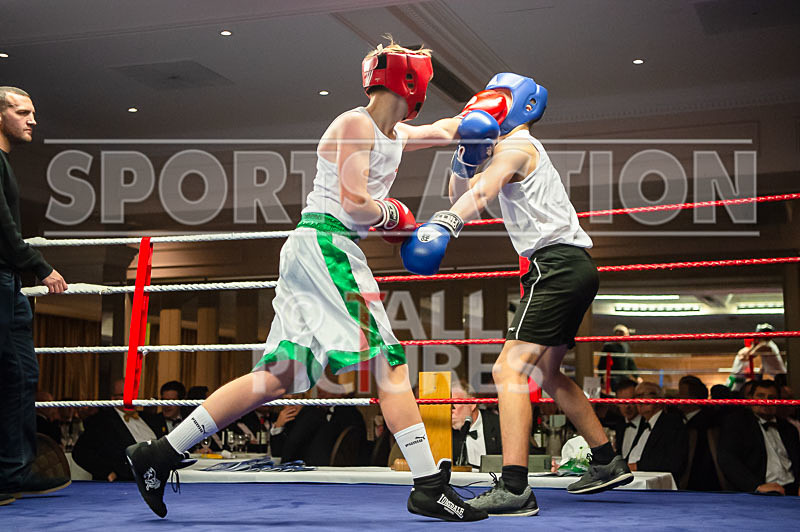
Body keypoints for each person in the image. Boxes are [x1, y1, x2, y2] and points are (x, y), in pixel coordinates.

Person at [126, 39, 487, 522]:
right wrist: (395, 214)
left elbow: (443, 130)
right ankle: (428, 486)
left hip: (315, 248)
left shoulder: (392, 134)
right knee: (388, 362)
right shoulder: (354, 123)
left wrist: (494, 113)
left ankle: (161, 453)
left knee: (281, 376)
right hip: (328, 246)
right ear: (413, 80)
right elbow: (356, 204)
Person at [401, 72, 633, 516]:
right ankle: (605, 461)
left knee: (510, 369)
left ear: (514, 106)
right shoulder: (508, 149)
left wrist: (444, 224)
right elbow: (469, 191)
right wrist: (463, 159)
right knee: (548, 373)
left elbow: (484, 192)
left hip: (556, 265)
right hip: (565, 267)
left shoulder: (517, 146)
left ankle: (514, 488)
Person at [0, 86, 70, 506]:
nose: (32, 120)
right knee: (16, 376)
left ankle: (11, 471)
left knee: (17, 375)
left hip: (7, 280)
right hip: (4, 279)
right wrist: (39, 265)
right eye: (23, 112)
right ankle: (12, 472)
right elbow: (3, 229)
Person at [718, 380, 800, 495]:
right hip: (761, 490)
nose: (766, 401)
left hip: (792, 489)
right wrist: (756, 486)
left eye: (771, 397)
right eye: (760, 396)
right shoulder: (737, 423)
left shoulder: (789, 429)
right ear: (750, 399)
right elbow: (728, 459)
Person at [72, 379, 162, 482]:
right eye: (125, 395)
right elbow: (80, 453)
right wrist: (107, 473)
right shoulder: (101, 420)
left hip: (156, 480)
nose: (131, 398)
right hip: (123, 483)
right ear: (113, 398)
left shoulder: (149, 418)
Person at [626, 382, 688, 484]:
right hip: (633, 481)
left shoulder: (671, 422)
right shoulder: (643, 424)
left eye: (645, 395)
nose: (640, 401)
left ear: (659, 398)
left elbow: (672, 461)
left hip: (655, 484)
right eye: (637, 397)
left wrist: (635, 466)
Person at [451, 382, 501, 468]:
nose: (451, 410)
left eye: (455, 403)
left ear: (472, 404)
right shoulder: (445, 434)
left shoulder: (498, 425)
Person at [727, 323, 787, 391]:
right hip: (779, 375)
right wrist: (760, 373)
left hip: (780, 376)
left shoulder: (765, 345)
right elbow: (765, 362)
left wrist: (753, 344)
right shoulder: (770, 344)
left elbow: (748, 356)